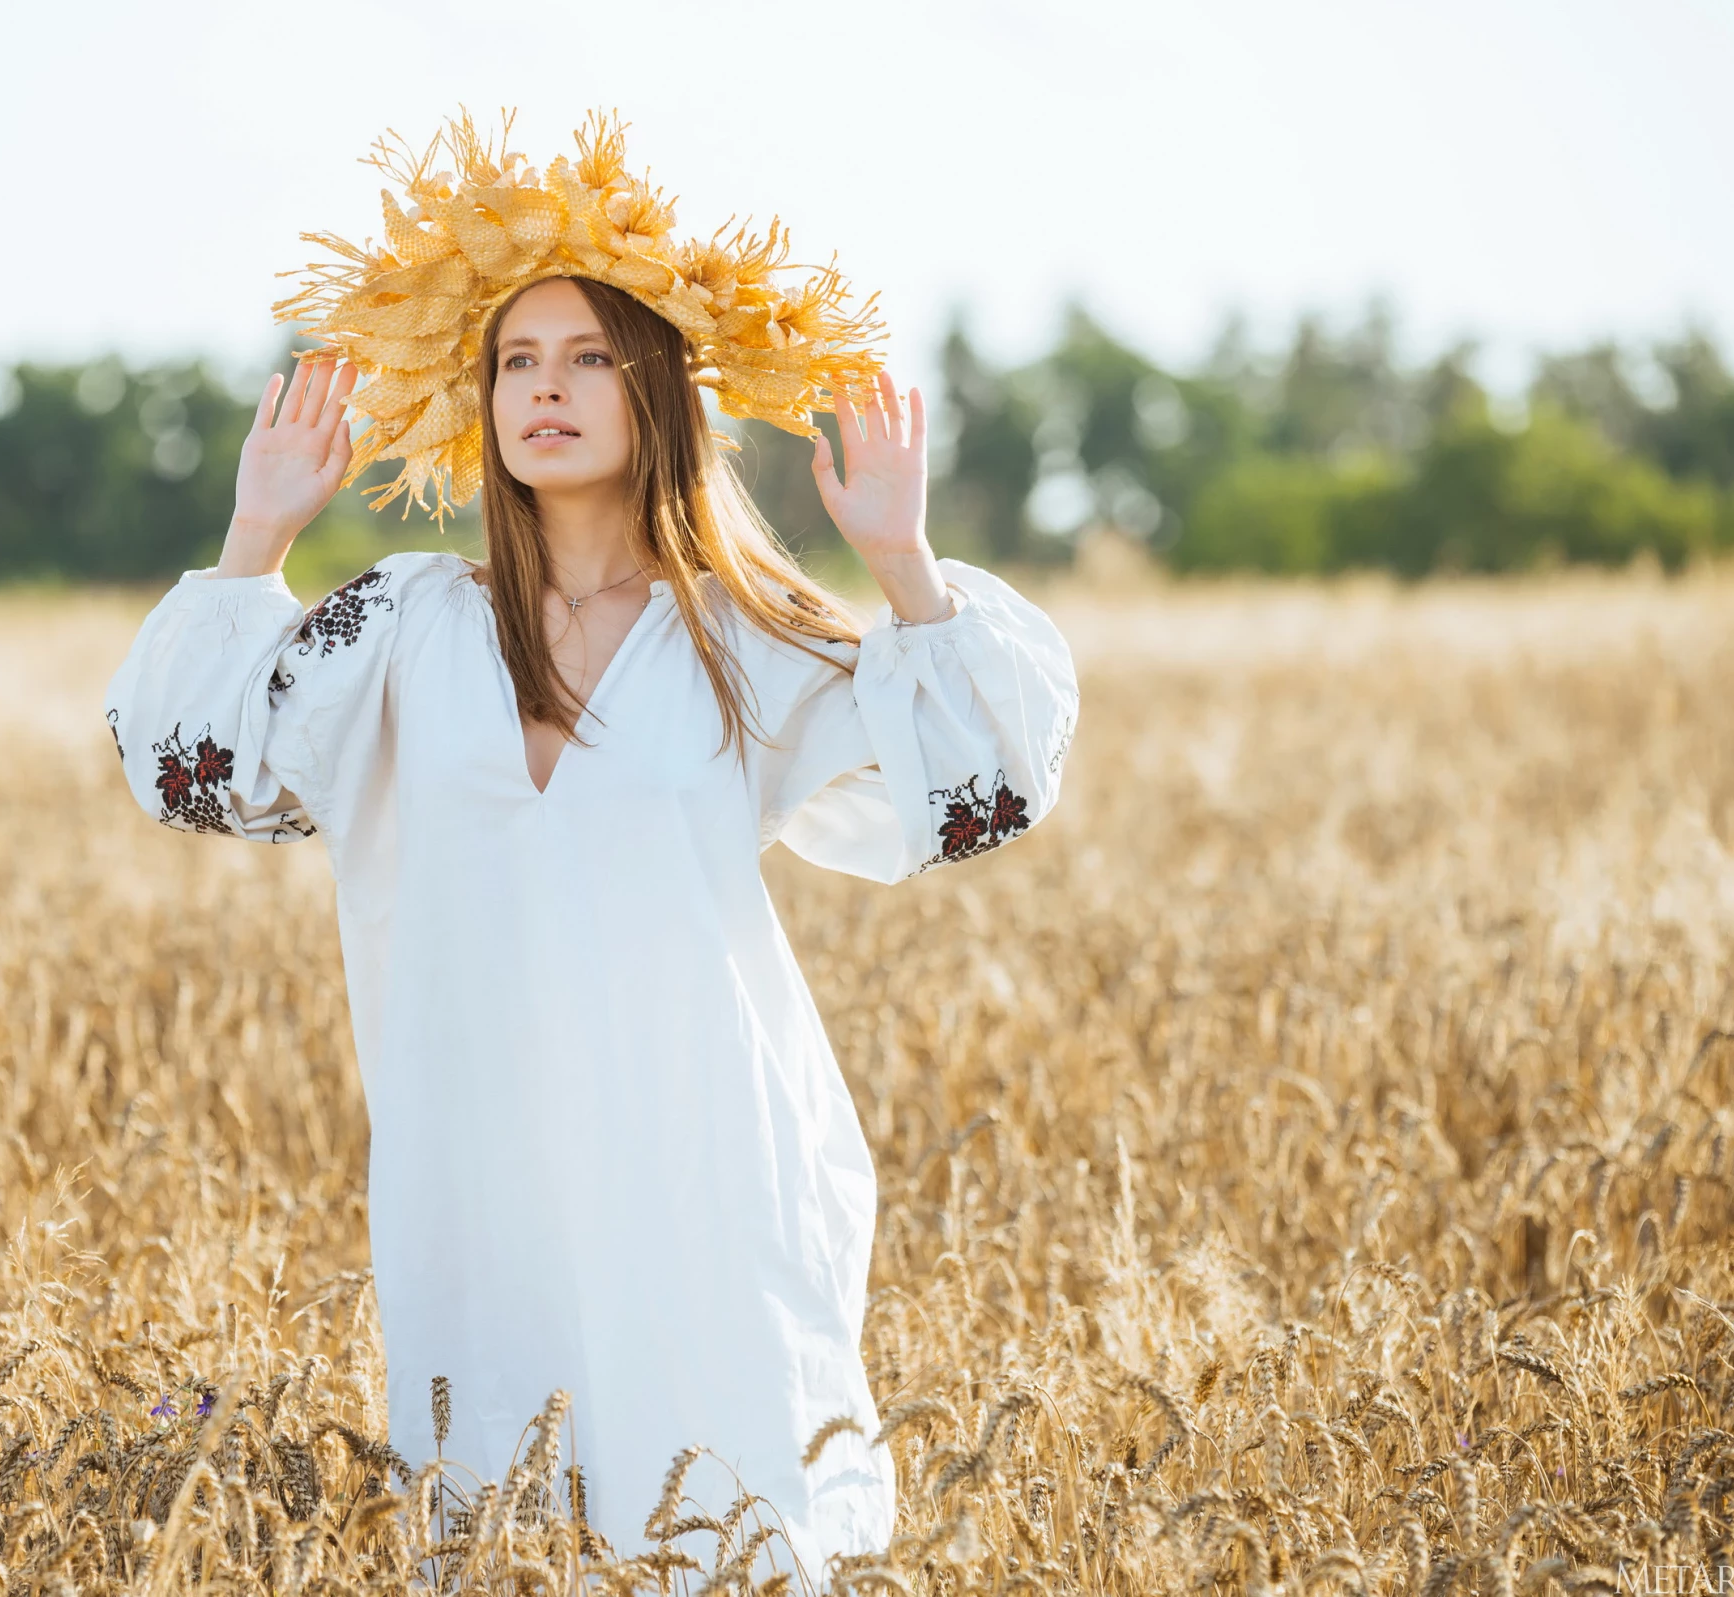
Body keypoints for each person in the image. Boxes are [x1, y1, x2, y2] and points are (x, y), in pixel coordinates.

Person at [103, 112, 1078, 1581]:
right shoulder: (407, 624)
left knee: (723, 1527)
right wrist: (255, 539)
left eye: (585, 359)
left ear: (659, 390)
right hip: (476, 1170)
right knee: (507, 1526)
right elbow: (193, 772)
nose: (543, 390)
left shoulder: (743, 636)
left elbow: (985, 785)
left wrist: (901, 561)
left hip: (706, 1159)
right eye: (515, 361)